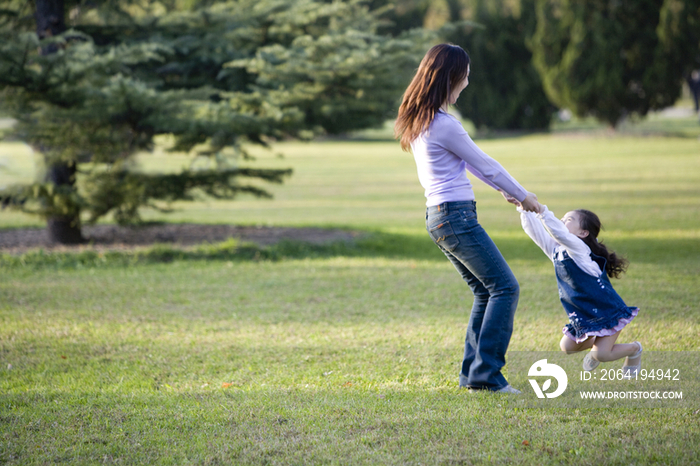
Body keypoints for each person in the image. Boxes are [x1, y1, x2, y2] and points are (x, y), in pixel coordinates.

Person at [394, 43, 540, 393]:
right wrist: (523, 194)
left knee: (484, 291)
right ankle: (486, 376)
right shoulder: (444, 124)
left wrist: (504, 191)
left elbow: (470, 164)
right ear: (451, 78)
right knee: (505, 288)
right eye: (466, 76)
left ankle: (472, 375)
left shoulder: (421, 121)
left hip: (439, 217)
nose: (468, 83)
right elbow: (486, 163)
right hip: (455, 217)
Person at [510, 200, 643, 377]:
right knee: (567, 347)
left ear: (583, 233)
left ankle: (634, 349)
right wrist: (524, 210)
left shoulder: (580, 250)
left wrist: (543, 212)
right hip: (584, 314)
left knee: (601, 354)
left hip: (607, 311)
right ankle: (598, 345)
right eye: (562, 218)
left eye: (568, 219)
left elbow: (560, 234)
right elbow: (537, 234)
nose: (562, 221)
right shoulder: (557, 251)